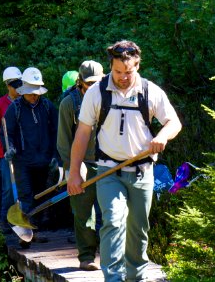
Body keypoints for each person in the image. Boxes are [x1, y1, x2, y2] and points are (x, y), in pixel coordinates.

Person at [67, 40, 182, 281]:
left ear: (137, 66)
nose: (122, 77)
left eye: (128, 72)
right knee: (113, 220)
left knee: (138, 229)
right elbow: (82, 134)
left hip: (142, 172)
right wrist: (74, 172)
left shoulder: (151, 92)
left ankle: (136, 277)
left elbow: (174, 123)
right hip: (108, 171)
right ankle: (113, 278)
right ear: (111, 66)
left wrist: (161, 136)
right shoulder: (96, 92)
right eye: (118, 71)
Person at [0, 67, 59, 243]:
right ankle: (23, 234)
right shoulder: (14, 109)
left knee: (40, 196)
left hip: (44, 159)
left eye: (36, 93)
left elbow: (56, 131)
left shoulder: (48, 106)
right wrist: (9, 147)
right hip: (22, 160)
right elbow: (6, 133)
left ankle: (36, 231)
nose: (34, 96)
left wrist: (56, 155)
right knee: (25, 195)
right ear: (23, 90)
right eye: (31, 93)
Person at [57, 61, 104, 271]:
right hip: (81, 164)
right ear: (80, 82)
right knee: (84, 215)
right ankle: (86, 257)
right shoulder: (68, 104)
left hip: (107, 163)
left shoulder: (110, 99)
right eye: (88, 84)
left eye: (97, 83)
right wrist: (73, 167)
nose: (92, 87)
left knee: (113, 212)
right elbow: (63, 141)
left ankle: (112, 254)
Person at [0, 67, 22, 231]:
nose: (18, 88)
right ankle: (5, 220)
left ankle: (21, 219)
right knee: (8, 188)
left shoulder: (25, 101)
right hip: (5, 152)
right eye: (15, 85)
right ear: (8, 85)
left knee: (23, 187)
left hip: (23, 152)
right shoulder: (0, 104)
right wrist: (3, 139)